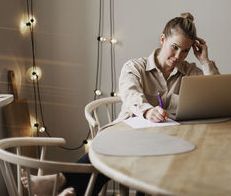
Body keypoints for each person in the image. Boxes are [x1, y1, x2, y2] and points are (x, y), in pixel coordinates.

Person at [21, 12, 219, 196]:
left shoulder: (191, 71)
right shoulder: (135, 67)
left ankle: (64, 183)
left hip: (170, 142)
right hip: (131, 136)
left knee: (157, 162)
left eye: (185, 51)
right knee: (119, 150)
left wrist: (205, 61)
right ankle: (65, 184)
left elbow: (214, 96)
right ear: (162, 40)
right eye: (174, 47)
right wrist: (147, 110)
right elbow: (130, 93)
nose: (178, 56)